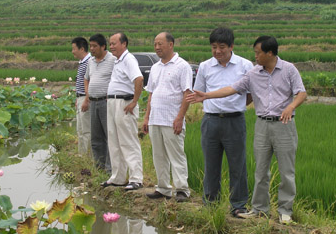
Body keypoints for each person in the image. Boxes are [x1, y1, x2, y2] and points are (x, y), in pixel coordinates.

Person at [189, 35, 307, 224]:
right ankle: (260, 209)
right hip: (262, 124)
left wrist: (291, 107)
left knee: (286, 171)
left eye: (258, 53)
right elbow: (232, 89)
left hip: (284, 124)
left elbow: (301, 92)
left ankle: (285, 211)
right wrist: (207, 96)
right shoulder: (254, 73)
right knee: (260, 170)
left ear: (269, 53)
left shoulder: (288, 69)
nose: (255, 57)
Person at [193, 27, 253, 217]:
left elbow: (251, 94)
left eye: (221, 47)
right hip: (210, 121)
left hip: (235, 121)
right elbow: (200, 93)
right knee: (211, 165)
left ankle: (238, 205)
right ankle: (210, 203)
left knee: (238, 165)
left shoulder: (245, 65)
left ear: (231, 46)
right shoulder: (205, 66)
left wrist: (237, 105)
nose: (217, 51)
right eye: (213, 47)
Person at [143, 32, 193, 202]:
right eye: (155, 44)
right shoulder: (156, 67)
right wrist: (146, 117)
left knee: (176, 154)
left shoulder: (182, 66)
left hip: (172, 119)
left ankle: (182, 190)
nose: (157, 47)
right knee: (158, 155)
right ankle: (163, 188)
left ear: (171, 44)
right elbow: (151, 94)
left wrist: (180, 118)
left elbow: (187, 93)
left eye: (160, 44)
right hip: (155, 119)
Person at [102, 33, 144, 190]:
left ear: (124, 44)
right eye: (110, 44)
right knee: (114, 141)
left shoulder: (128, 59)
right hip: (113, 102)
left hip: (124, 102)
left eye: (114, 43)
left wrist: (134, 101)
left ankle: (136, 178)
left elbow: (139, 79)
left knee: (128, 141)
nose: (111, 46)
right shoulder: (118, 61)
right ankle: (118, 177)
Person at [84, 34, 115, 173]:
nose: (92, 49)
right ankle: (99, 167)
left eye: (95, 46)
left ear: (103, 46)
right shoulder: (90, 61)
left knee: (109, 136)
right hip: (94, 102)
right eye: (90, 46)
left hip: (106, 102)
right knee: (96, 138)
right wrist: (87, 96)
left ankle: (110, 169)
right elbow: (86, 79)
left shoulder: (113, 60)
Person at [71, 37, 92, 155]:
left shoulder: (89, 62)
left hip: (85, 98)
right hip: (80, 98)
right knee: (80, 129)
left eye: (74, 49)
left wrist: (86, 99)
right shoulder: (82, 62)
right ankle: (81, 155)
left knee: (86, 130)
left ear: (82, 48)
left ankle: (87, 156)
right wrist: (77, 98)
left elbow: (90, 82)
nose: (73, 51)